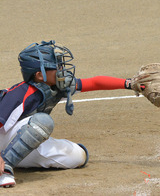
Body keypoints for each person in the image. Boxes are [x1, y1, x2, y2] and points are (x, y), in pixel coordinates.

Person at [1, 41, 145, 188]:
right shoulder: (20, 93)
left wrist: (130, 83)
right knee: (43, 121)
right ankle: (5, 168)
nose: (62, 69)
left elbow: (94, 83)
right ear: (39, 75)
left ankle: (9, 159)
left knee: (78, 156)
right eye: (56, 66)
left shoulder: (55, 86)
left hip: (18, 141)